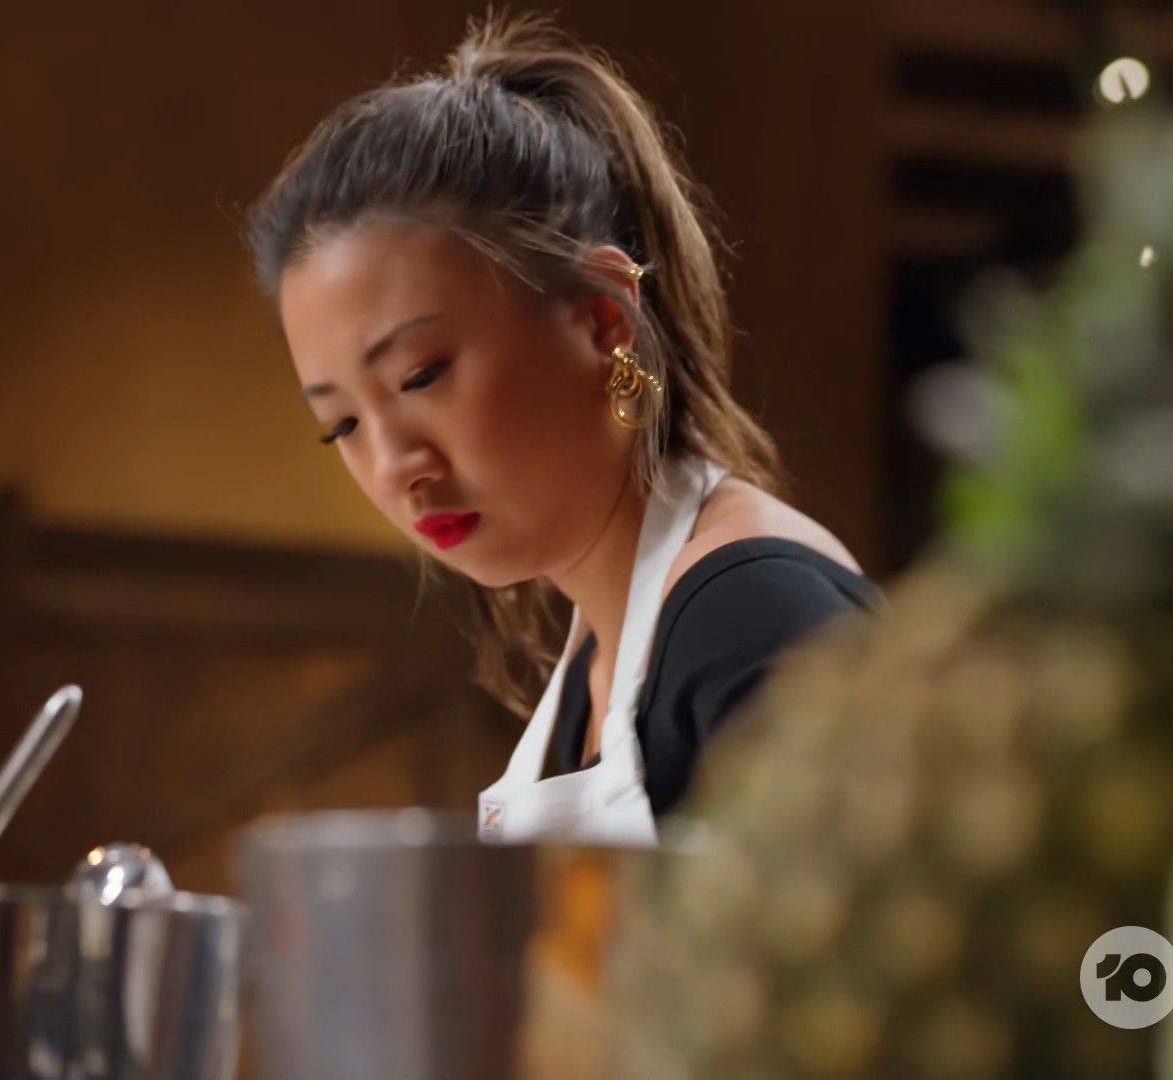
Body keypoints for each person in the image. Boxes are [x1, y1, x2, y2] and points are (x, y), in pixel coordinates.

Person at [246, 14, 881, 846]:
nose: (394, 466)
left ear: (602, 320)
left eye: (420, 376)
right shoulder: (594, 661)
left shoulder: (752, 613)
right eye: (342, 425)